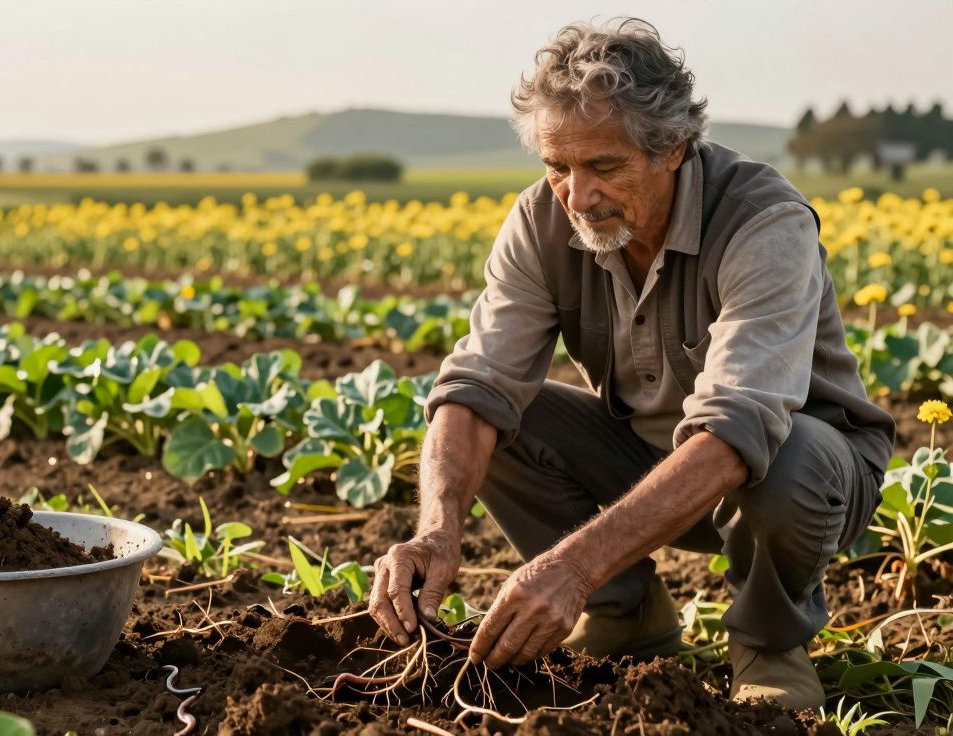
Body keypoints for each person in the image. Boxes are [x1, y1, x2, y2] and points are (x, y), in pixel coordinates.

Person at [367, 18, 894, 710]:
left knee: (785, 454)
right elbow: (478, 381)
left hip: (802, 481)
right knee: (490, 415)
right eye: (557, 168)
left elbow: (736, 430)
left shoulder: (763, 222)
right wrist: (436, 531)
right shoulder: (542, 220)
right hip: (649, 459)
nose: (577, 196)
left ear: (672, 147)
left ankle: (769, 643)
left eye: (604, 167)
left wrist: (573, 567)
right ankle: (627, 615)